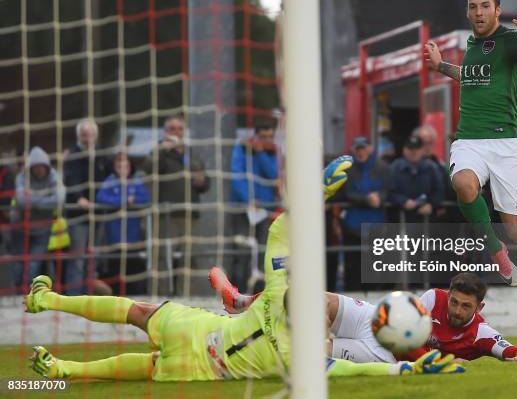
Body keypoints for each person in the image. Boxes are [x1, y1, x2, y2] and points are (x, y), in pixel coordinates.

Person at [26, 156, 463, 381]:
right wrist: (402, 370)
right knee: (147, 356)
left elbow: (278, 233)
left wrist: (315, 196)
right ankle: (60, 354)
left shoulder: (283, 302)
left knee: (141, 327)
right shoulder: (300, 351)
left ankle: (49, 309)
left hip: (197, 341)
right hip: (203, 361)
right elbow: (350, 370)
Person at [424, 0, 517, 310]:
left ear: (497, 10)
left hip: (506, 144)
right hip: (470, 139)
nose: (478, 12)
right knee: (463, 184)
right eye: (473, 6)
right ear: (467, 10)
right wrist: (442, 66)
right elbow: (474, 78)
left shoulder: (510, 41)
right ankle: (494, 248)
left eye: (485, 6)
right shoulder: (473, 44)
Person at [211, 269, 517, 364]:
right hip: (374, 319)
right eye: (456, 303)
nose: (457, 311)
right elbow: (404, 326)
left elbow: (513, 351)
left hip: (382, 353)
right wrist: (438, 361)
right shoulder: (434, 298)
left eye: (466, 307)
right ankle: (241, 302)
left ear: (480, 309)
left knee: (307, 352)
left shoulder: (480, 334)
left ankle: (227, 344)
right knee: (313, 298)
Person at [144, 115, 209, 296]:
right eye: (172, 129)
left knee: (189, 257)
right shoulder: (158, 151)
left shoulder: (191, 153)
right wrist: (161, 149)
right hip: (166, 214)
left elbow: (206, 180)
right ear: (165, 132)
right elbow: (148, 169)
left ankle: (187, 296)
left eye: (180, 129)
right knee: (163, 257)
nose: (176, 132)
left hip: (190, 213)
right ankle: (159, 296)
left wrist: (202, 181)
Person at [229, 123, 279, 291]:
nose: (266, 140)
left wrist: (260, 154)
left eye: (269, 137)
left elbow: (273, 175)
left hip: (265, 209)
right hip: (243, 209)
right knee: (242, 252)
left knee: (263, 253)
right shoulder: (242, 149)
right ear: (255, 135)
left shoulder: (272, 151)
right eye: (263, 137)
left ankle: (260, 291)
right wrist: (248, 199)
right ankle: (238, 291)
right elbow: (237, 175)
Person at [64, 119, 109, 295]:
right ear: (78, 136)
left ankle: (89, 295)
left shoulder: (101, 155)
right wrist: (79, 198)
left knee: (93, 259)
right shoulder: (72, 155)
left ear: (96, 136)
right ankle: (74, 296)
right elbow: (70, 179)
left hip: (98, 213)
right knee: (77, 258)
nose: (87, 137)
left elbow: (107, 179)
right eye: (84, 134)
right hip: (78, 214)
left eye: (90, 133)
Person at [11, 147, 65, 290]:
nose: (39, 170)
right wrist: (45, 197)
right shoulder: (22, 176)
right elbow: (21, 200)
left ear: (46, 166)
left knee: (34, 263)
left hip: (43, 228)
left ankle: (28, 293)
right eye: (36, 167)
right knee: (19, 263)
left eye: (42, 167)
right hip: (20, 228)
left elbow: (59, 199)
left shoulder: (54, 175)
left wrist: (33, 198)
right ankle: (16, 293)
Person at [96, 152, 151, 294]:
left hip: (133, 236)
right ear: (115, 167)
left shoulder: (135, 182)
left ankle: (134, 296)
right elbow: (101, 198)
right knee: (116, 267)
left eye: (125, 166)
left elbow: (145, 198)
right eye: (119, 166)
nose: (122, 169)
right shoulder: (109, 182)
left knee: (133, 267)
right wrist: (123, 201)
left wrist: (134, 200)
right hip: (114, 235)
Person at [340, 136, 390, 290]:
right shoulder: (347, 169)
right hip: (353, 227)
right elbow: (346, 193)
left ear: (371, 149)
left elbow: (388, 190)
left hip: (375, 226)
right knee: (352, 269)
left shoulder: (382, 167)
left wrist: (380, 198)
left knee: (374, 267)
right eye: (357, 149)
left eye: (363, 148)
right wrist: (367, 199)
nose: (360, 152)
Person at [388, 136, 444, 222]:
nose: (413, 152)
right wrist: (403, 201)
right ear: (404, 150)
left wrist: (431, 204)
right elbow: (388, 190)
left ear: (422, 150)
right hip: (400, 220)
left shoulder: (432, 167)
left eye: (417, 149)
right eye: (410, 149)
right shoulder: (394, 167)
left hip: (427, 221)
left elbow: (439, 190)